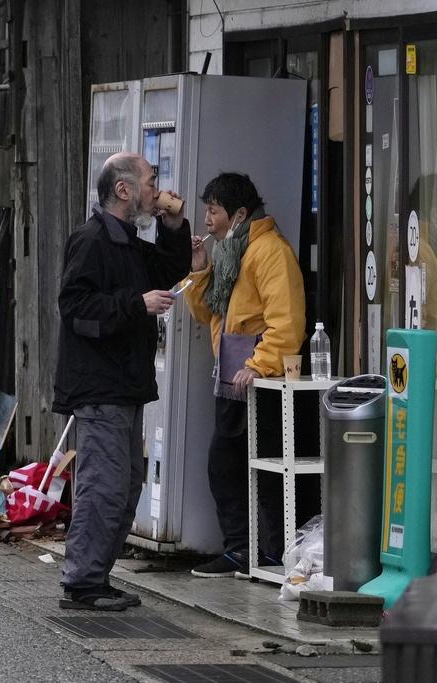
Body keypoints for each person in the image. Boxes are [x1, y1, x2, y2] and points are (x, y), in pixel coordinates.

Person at [53, 152, 191, 610]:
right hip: (99, 386)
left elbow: (167, 270)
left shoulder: (127, 241)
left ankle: (96, 577)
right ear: (124, 190)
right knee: (104, 486)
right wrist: (136, 305)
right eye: (151, 182)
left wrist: (174, 225)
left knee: (128, 484)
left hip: (124, 383)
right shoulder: (92, 240)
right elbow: (74, 308)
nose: (158, 190)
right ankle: (82, 583)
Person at [182, 172, 307, 578]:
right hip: (234, 377)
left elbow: (287, 322)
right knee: (229, 464)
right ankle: (243, 548)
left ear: (238, 213)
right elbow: (209, 314)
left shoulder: (270, 251)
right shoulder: (231, 251)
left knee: (256, 469)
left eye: (213, 210)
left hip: (260, 380)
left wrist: (259, 364)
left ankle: (264, 551)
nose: (206, 220)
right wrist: (200, 271)